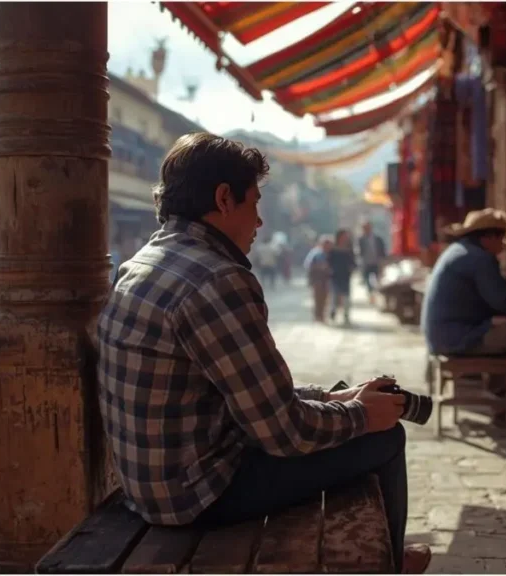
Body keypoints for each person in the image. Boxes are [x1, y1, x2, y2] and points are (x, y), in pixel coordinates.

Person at [96, 132, 431, 573]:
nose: (259, 223)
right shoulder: (218, 279)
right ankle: (388, 563)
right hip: (196, 495)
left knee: (344, 411)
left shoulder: (141, 262)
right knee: (385, 437)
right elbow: (283, 431)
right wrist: (365, 416)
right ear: (223, 199)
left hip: (148, 488)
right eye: (254, 204)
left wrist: (334, 398)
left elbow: (246, 391)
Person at [421, 208, 506, 433]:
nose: (502, 246)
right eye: (501, 238)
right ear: (488, 237)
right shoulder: (480, 258)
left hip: (447, 334)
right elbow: (503, 301)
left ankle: (502, 395)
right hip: (458, 338)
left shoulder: (459, 251)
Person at [328, 229, 356, 325]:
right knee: (335, 295)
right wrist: (330, 269)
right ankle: (333, 312)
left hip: (345, 275)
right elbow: (329, 260)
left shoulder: (349, 249)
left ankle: (346, 315)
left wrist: (352, 268)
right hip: (335, 275)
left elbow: (353, 261)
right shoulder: (333, 249)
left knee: (346, 296)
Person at [304, 234, 333, 322]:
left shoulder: (331, 253)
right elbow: (307, 265)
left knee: (325, 298)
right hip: (317, 278)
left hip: (327, 279)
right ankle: (317, 316)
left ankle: (322, 315)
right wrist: (319, 267)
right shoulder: (315, 253)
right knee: (317, 298)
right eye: (325, 244)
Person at [358, 221, 386, 305]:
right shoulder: (361, 239)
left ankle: (377, 295)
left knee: (377, 280)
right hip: (366, 263)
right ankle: (371, 296)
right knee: (367, 281)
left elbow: (382, 251)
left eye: (367, 227)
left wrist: (383, 262)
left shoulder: (377, 238)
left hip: (376, 263)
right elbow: (359, 252)